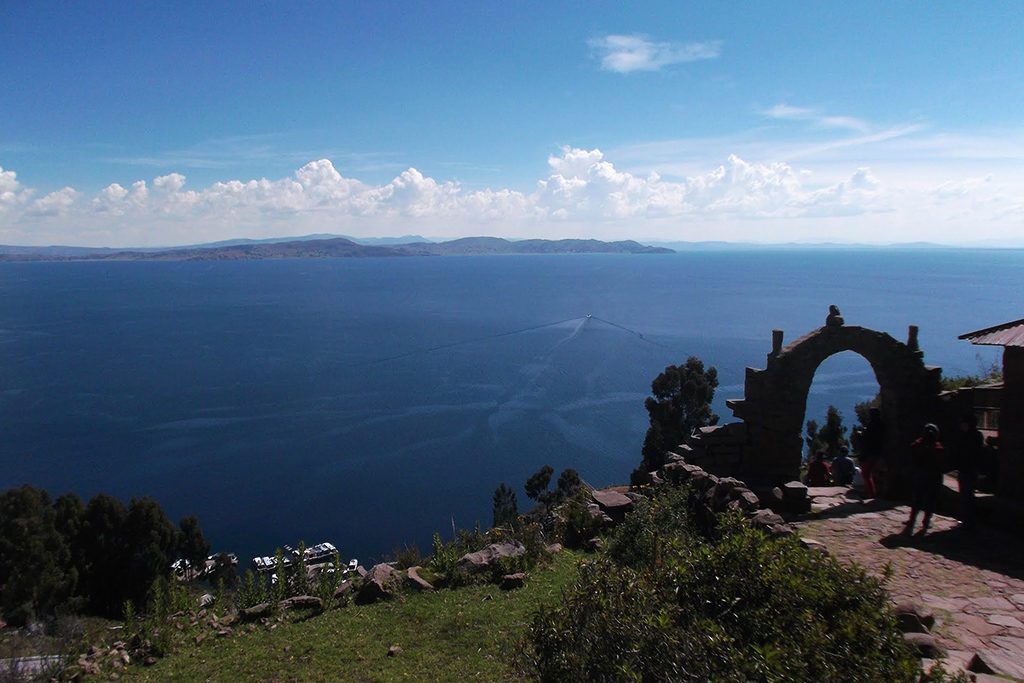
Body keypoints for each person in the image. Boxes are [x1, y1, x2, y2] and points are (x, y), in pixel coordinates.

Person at [904, 423, 945, 537]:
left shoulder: (918, 445)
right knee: (931, 499)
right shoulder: (938, 448)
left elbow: (912, 454)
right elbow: (942, 462)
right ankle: (926, 521)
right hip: (934, 476)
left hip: (921, 474)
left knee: (917, 498)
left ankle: (912, 520)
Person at [953, 413, 983, 528]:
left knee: (966, 495)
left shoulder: (970, 437)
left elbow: (967, 453)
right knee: (967, 495)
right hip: (969, 469)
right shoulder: (976, 435)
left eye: (963, 423)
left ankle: (968, 520)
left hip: (968, 469)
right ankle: (967, 519)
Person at [857, 408, 883, 498]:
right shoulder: (881, 424)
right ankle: (869, 492)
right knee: (868, 473)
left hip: (870, 452)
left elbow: (867, 439)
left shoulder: (872, 425)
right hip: (877, 451)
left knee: (866, 473)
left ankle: (871, 494)